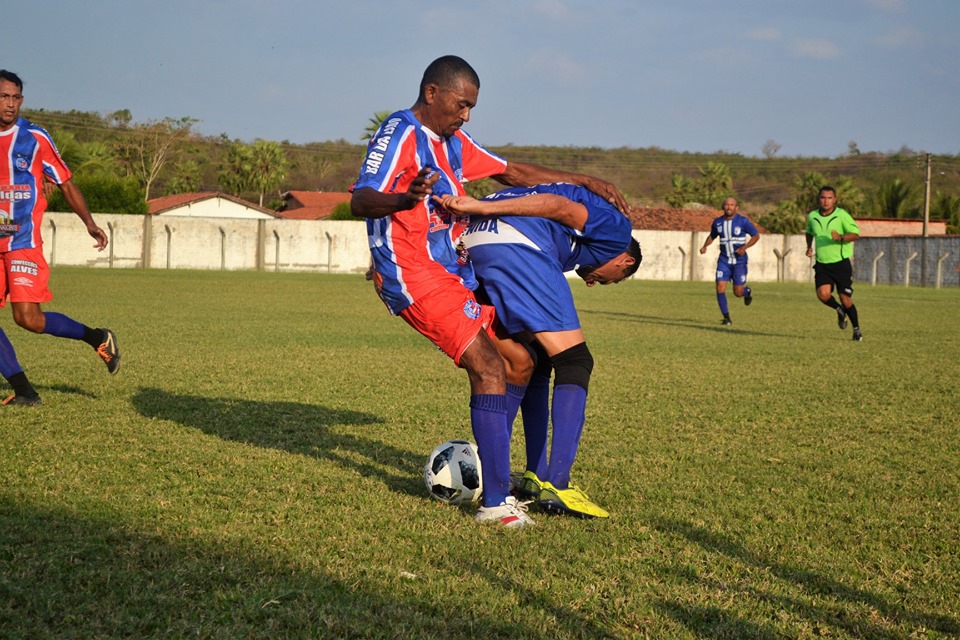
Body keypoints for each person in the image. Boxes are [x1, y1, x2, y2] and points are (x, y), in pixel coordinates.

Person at [350, 55, 628, 529]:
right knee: (486, 365)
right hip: (411, 270)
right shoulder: (399, 133)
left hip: (455, 268)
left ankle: (497, 470)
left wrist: (582, 180)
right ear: (433, 93)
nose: (467, 115)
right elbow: (360, 199)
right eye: (462, 105)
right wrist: (405, 199)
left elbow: (511, 171)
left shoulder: (453, 142)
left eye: (472, 107)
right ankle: (495, 503)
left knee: (521, 359)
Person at [435, 183, 641, 519]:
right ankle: (557, 483)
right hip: (514, 242)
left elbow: (522, 175)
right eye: (609, 279)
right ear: (625, 260)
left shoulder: (568, 234)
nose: (594, 282)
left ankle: (529, 474)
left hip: (473, 244)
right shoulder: (616, 231)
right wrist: (484, 208)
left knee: (529, 358)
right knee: (575, 360)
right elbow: (557, 206)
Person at [0, 70, 120, 407]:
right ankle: (25, 392)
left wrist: (90, 223)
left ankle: (97, 336)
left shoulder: (34, 138)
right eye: (4, 96)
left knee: (28, 319)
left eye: (16, 97)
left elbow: (65, 182)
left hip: (21, 241)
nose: (11, 104)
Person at [805, 186, 863, 341]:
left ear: (835, 199)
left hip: (840, 264)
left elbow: (855, 234)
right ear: (819, 199)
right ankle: (839, 310)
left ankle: (856, 329)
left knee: (846, 299)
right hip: (822, 263)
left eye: (829, 198)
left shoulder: (841, 215)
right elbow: (809, 231)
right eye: (823, 198)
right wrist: (809, 247)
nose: (826, 201)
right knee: (823, 295)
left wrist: (841, 237)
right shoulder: (812, 216)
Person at [699, 197, 759, 325]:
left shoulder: (743, 221)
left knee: (737, 292)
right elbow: (712, 236)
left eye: (732, 205)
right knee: (720, 287)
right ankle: (727, 318)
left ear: (736, 208)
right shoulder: (718, 222)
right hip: (724, 260)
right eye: (726, 205)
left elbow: (756, 235)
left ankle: (746, 292)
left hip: (739, 261)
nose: (729, 207)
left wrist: (744, 247)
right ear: (723, 207)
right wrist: (705, 246)